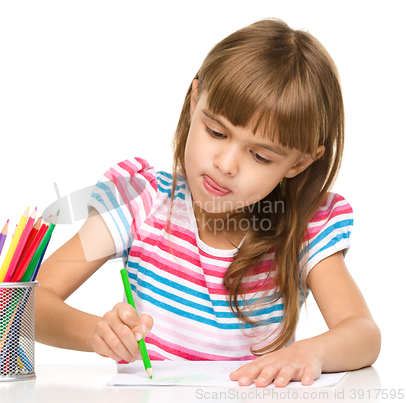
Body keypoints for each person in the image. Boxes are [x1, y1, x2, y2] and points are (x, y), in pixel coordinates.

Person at [34, 18, 380, 387]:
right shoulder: (138, 200)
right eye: (216, 132)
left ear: (297, 163)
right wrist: (93, 332)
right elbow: (31, 302)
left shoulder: (304, 228)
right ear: (194, 100)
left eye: (260, 156)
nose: (225, 165)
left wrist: (313, 352)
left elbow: (362, 333)